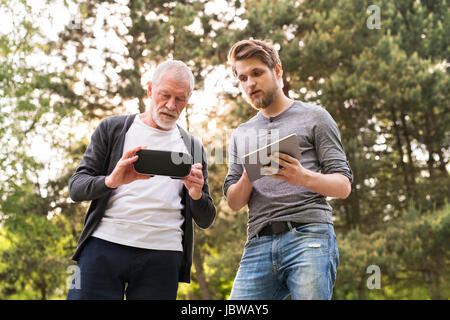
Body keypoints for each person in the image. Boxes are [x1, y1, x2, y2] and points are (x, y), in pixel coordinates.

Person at [67, 60, 216, 300]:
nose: (170, 105)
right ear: (150, 89)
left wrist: (196, 194)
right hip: (103, 246)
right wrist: (112, 180)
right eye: (164, 95)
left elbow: (206, 218)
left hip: (163, 255)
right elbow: (76, 188)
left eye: (180, 99)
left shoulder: (193, 147)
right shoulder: (112, 129)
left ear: (188, 100)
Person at [223, 39, 353, 300]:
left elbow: (343, 186)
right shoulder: (241, 134)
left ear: (278, 71)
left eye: (257, 73)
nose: (250, 84)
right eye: (243, 78)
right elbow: (234, 202)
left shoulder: (316, 117)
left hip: (309, 235)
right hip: (258, 243)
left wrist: (302, 177)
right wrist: (249, 175)